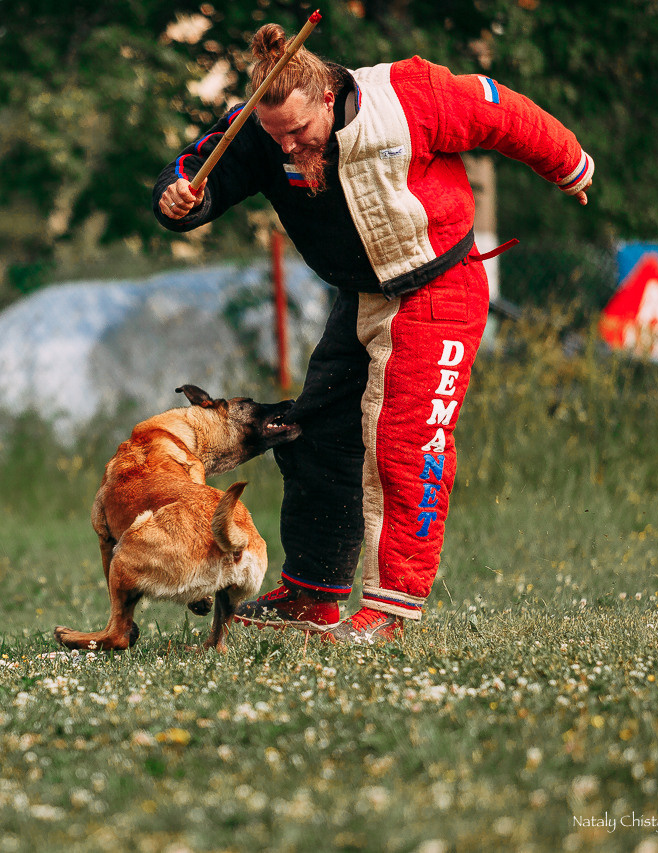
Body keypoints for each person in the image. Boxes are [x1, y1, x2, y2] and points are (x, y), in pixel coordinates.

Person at [152, 23, 593, 643]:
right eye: (276, 137)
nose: (287, 147)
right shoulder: (261, 127)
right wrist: (180, 201)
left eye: (299, 132)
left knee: (404, 445)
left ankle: (392, 607)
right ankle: (312, 594)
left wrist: (570, 164)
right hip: (360, 297)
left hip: (438, 287)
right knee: (313, 434)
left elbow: (503, 111)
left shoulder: (410, 96)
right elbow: (200, 172)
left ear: (328, 97)